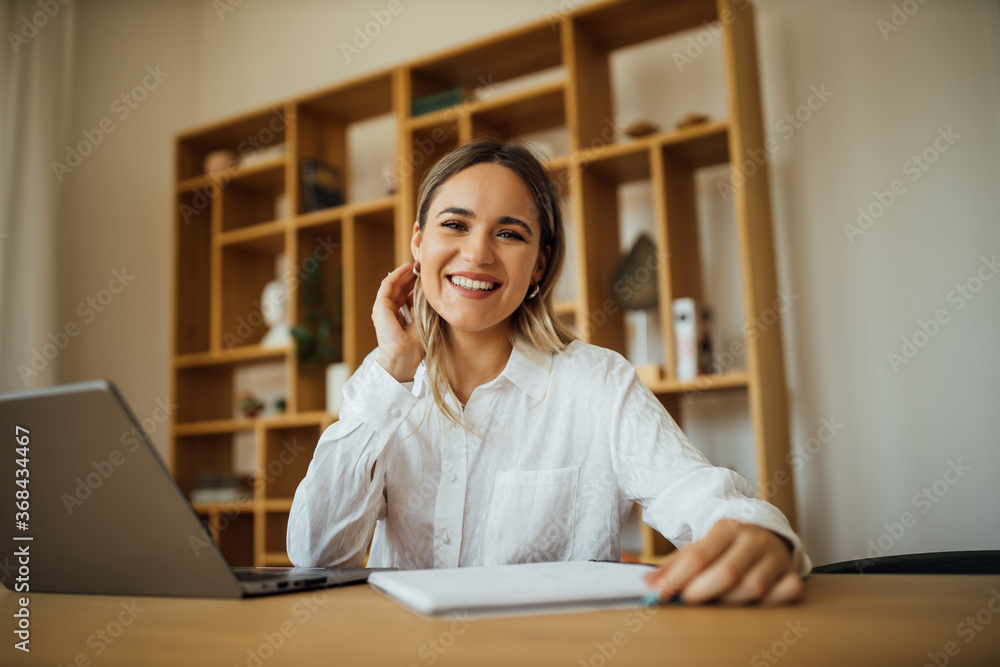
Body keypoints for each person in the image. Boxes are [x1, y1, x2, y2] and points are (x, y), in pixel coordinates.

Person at [287, 139, 810, 604]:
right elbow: (317, 554)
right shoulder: (383, 386)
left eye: (509, 234)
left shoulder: (598, 383)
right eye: (455, 225)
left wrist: (758, 536)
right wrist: (394, 371)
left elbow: (700, 494)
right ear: (419, 245)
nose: (477, 253)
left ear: (539, 264)